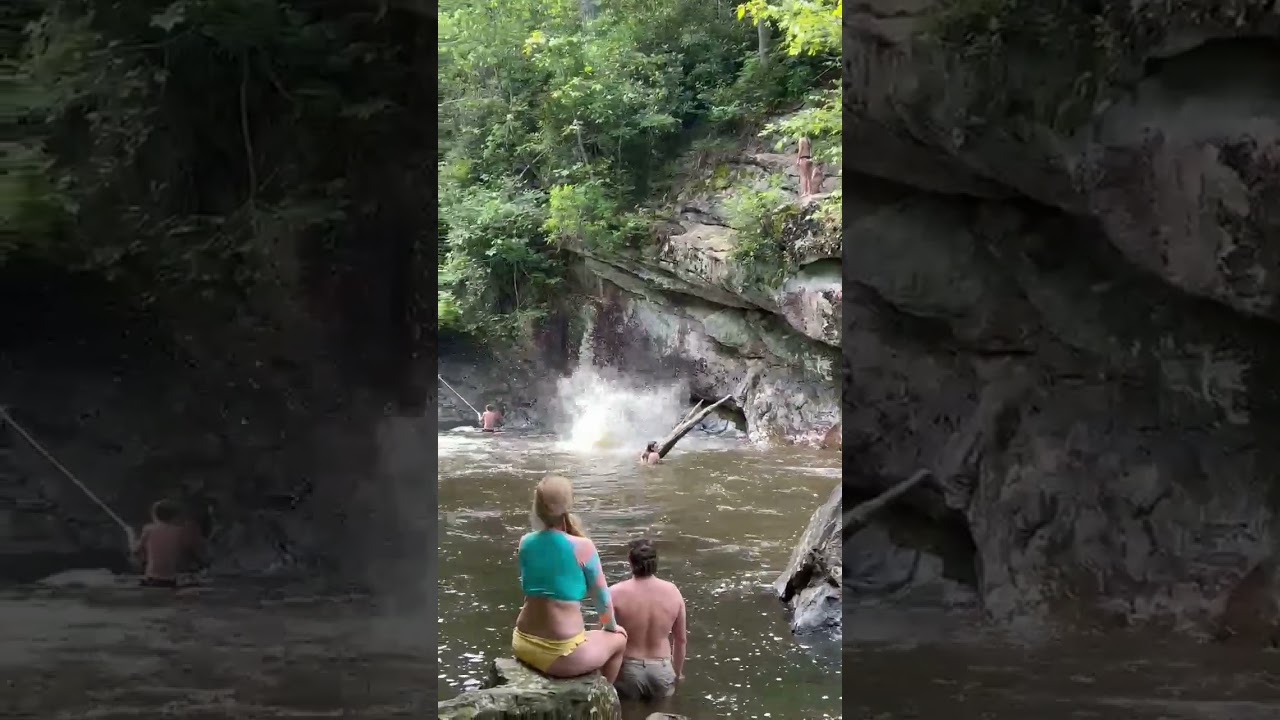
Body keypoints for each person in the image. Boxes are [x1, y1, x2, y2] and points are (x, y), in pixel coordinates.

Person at [512, 475, 628, 682]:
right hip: (561, 654)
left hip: (522, 642)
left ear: (537, 508)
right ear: (568, 506)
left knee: (593, 635)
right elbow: (602, 601)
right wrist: (610, 627)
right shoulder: (583, 546)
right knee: (619, 639)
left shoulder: (525, 542)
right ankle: (604, 696)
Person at [609, 538, 687, 700]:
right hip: (662, 669)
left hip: (628, 669)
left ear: (630, 562)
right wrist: (678, 673)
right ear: (656, 562)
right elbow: (680, 640)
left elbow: (603, 633)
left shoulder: (614, 593)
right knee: (664, 711)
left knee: (628, 711)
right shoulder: (673, 592)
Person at [132, 499, 206, 588]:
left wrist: (133, 540)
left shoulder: (148, 529)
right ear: (175, 516)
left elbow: (136, 551)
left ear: (154, 515)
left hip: (152, 578)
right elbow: (193, 551)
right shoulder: (180, 531)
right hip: (171, 580)